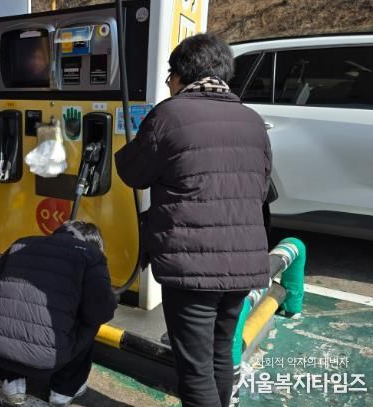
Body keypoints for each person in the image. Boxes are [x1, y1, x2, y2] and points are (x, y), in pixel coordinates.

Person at [114, 33, 272, 407]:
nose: (169, 83)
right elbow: (263, 187)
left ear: (182, 74)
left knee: (195, 369)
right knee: (221, 353)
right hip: (243, 263)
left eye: (170, 75)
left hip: (191, 265)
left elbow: (133, 173)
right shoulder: (252, 120)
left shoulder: (170, 114)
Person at [0, 220, 117, 407]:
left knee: (10, 312)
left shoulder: (21, 243)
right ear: (95, 243)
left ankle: (12, 382)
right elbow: (101, 311)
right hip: (46, 358)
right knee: (91, 320)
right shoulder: (90, 255)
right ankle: (64, 390)